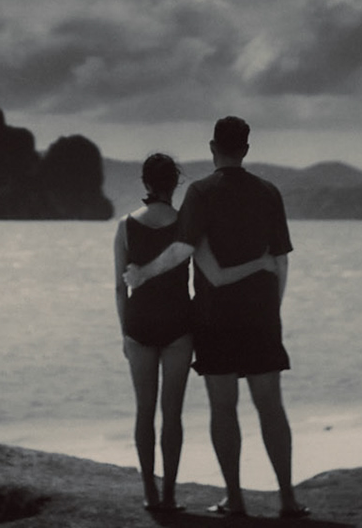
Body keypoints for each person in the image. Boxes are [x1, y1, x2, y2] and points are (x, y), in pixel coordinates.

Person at [124, 117, 307, 519]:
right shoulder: (269, 192)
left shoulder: (201, 193)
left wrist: (142, 274)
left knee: (223, 408)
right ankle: (288, 500)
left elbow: (182, 250)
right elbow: (280, 261)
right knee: (270, 407)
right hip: (261, 316)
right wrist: (271, 309)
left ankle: (235, 501)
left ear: (212, 147)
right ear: (246, 148)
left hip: (215, 317)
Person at [114, 152, 272, 514]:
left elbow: (118, 287)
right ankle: (170, 495)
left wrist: (124, 332)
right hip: (178, 324)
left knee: (143, 411)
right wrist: (260, 265)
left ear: (145, 182)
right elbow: (213, 275)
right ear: (176, 182)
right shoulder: (188, 224)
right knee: (173, 413)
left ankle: (149, 496)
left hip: (138, 323)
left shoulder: (124, 225)